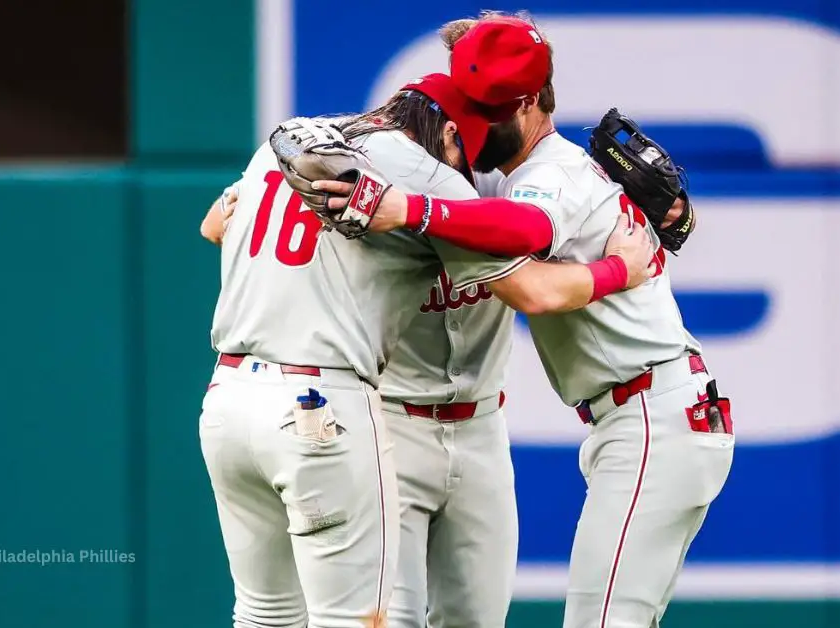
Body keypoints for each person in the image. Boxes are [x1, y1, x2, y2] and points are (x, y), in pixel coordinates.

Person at [290, 11, 733, 628]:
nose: (466, 120)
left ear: (529, 103)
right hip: (644, 414)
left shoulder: (550, 173)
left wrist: (406, 208)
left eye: (487, 108)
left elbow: (532, 265)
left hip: (655, 414)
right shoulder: (521, 172)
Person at [198, 40, 655, 628]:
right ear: (450, 135)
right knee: (353, 619)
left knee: (265, 617)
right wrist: (619, 268)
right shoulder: (431, 175)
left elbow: (215, 223)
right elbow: (532, 284)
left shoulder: (293, 140)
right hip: (325, 402)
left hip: (229, 402)